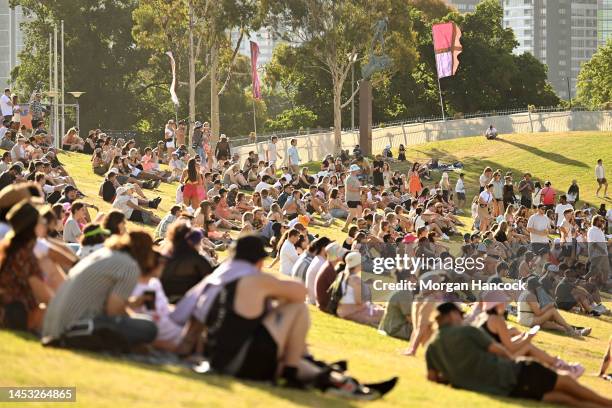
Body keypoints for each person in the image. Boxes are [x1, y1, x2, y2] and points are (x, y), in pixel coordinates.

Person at [174, 235, 394, 398]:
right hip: (241, 360)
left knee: (302, 359)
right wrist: (274, 293)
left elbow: (187, 320)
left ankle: (332, 377)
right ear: (258, 261)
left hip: (219, 356)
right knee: (296, 308)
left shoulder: (215, 279)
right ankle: (303, 373)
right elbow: (300, 293)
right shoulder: (253, 279)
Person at [425, 302, 612, 407]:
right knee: (563, 381)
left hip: (509, 390)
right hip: (514, 373)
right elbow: (499, 351)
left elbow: (433, 378)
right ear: (450, 315)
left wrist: (458, 376)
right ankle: (606, 402)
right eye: (459, 313)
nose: (461, 316)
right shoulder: (466, 331)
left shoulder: (431, 348)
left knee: (562, 399)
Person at [41, 230, 159, 351]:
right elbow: (113, 311)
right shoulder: (130, 266)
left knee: (137, 324)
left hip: (53, 324)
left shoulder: (105, 253)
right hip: (76, 326)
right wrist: (132, 318)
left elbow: (103, 299)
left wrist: (130, 303)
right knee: (149, 327)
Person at [0, 200, 55, 331]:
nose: (45, 225)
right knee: (48, 309)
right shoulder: (24, 255)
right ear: (33, 226)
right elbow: (45, 297)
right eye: (42, 222)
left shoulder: (9, 247)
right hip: (13, 314)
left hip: (9, 309)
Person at [160, 222, 213, 303]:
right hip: (186, 303)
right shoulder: (197, 260)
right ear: (193, 242)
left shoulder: (163, 256)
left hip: (161, 300)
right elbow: (209, 285)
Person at [378, 271, 414, 340]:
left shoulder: (398, 289)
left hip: (389, 327)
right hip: (396, 330)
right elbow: (410, 318)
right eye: (413, 277)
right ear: (407, 279)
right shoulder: (404, 293)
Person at [585, 215, 609, 286]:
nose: (602, 222)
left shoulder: (599, 230)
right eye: (601, 220)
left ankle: (603, 284)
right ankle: (584, 281)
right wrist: (601, 250)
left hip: (603, 254)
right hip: (597, 254)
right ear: (596, 221)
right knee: (593, 271)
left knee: (606, 270)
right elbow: (593, 243)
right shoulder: (592, 230)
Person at [342, 164, 362, 232]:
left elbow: (357, 187)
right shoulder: (349, 178)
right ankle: (345, 227)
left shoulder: (355, 177)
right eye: (357, 169)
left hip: (356, 198)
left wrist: (362, 188)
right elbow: (349, 188)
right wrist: (360, 189)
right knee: (353, 213)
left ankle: (360, 228)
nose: (358, 170)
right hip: (351, 198)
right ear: (354, 170)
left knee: (359, 211)